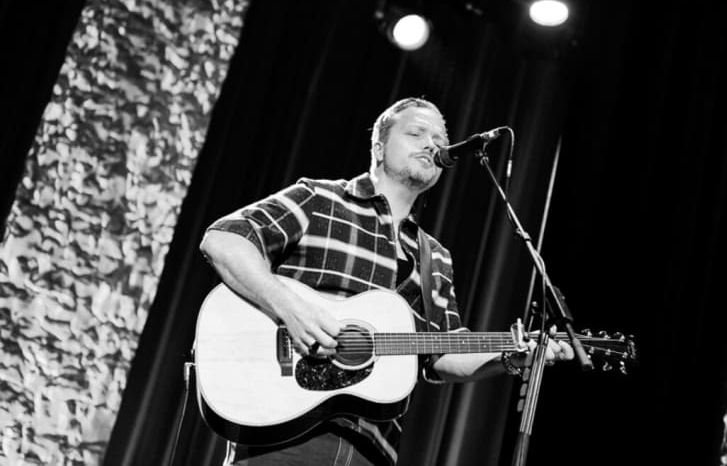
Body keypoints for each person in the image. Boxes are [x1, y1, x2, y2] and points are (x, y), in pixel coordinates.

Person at [199, 97, 574, 466]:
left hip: (373, 449)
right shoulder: (320, 199)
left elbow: (442, 355)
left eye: (441, 139)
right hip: (283, 433)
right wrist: (291, 308)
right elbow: (224, 240)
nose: (434, 144)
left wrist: (511, 355)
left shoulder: (435, 257)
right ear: (379, 147)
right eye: (417, 133)